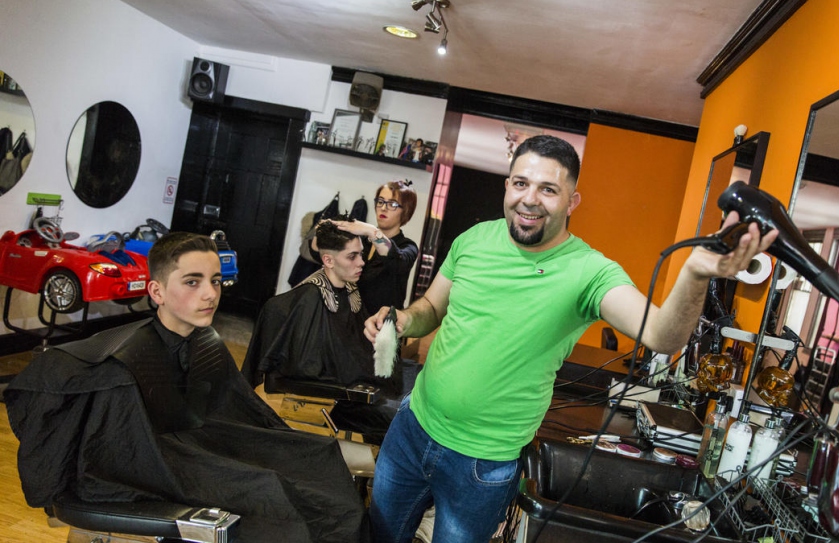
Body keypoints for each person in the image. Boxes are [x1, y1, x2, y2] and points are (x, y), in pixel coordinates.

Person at [363, 135, 778, 543]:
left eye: (548, 189)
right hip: (412, 427)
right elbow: (432, 309)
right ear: (507, 186)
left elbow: (661, 334)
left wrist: (695, 273)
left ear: (571, 201)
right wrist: (401, 320)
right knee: (379, 534)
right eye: (521, 183)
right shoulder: (473, 240)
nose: (530, 199)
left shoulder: (588, 272)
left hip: (482, 464)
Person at [4, 232, 367, 542]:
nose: (210, 294)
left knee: (315, 463)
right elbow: (129, 459)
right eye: (192, 282)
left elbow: (243, 414)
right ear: (156, 291)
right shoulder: (126, 368)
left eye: (215, 281)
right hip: (160, 467)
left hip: (198, 448)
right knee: (272, 493)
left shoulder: (204, 342)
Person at [242, 221, 400, 438]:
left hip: (362, 384)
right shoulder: (309, 299)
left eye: (361, 255)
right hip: (338, 399)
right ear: (328, 260)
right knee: (400, 419)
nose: (361, 263)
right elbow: (309, 367)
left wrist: (370, 231)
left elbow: (395, 260)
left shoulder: (354, 286)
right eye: (352, 256)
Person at [330, 180, 419, 315]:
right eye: (381, 201)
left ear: (405, 211)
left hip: (379, 327)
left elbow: (397, 261)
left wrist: (372, 231)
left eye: (392, 204)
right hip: (347, 320)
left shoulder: (408, 246)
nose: (383, 208)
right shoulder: (361, 240)